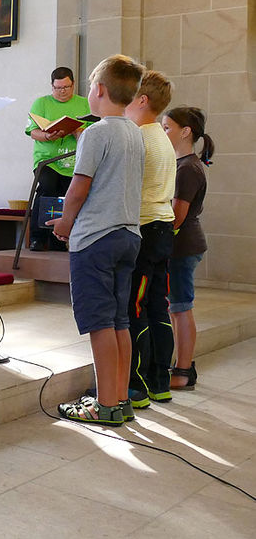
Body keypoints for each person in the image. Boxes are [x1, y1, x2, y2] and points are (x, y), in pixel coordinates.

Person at [48, 55, 144, 426]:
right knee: (120, 321)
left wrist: (66, 223)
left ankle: (104, 404)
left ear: (99, 90)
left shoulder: (96, 132)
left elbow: (79, 186)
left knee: (99, 323)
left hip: (96, 239)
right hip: (127, 235)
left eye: (89, 86)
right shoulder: (134, 131)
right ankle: (120, 399)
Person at [123, 70, 176, 408]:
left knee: (135, 307)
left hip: (144, 228)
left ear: (142, 100)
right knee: (157, 306)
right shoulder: (161, 136)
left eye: (128, 94)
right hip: (162, 228)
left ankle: (137, 386)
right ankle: (160, 383)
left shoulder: (140, 138)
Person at [161, 106, 215, 392]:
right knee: (177, 308)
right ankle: (180, 365)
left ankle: (183, 370)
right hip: (182, 245)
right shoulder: (183, 163)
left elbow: (176, 215)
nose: (162, 132)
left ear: (186, 132)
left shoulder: (187, 168)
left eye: (167, 127)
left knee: (181, 308)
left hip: (182, 246)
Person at [25, 67, 90, 251]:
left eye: (66, 87)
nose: (62, 91)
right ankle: (37, 237)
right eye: (57, 88)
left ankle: (59, 238)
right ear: (52, 86)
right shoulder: (41, 103)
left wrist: (77, 131)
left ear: (73, 85)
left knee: (67, 195)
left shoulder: (84, 104)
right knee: (47, 188)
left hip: (73, 160)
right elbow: (32, 132)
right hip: (47, 160)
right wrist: (47, 136)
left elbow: (92, 132)